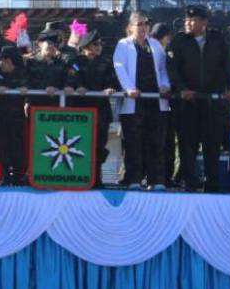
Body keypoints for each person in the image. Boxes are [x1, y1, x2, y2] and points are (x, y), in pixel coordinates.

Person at [168, 4, 230, 192]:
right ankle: (190, 183)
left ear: (204, 22)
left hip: (212, 101)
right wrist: (182, 89)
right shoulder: (179, 40)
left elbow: (228, 65)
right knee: (187, 146)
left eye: (193, 20)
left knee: (212, 145)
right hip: (187, 102)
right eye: (187, 19)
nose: (188, 23)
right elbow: (172, 68)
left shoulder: (217, 39)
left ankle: (212, 184)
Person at [113, 11, 172, 190]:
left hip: (154, 100)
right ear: (130, 27)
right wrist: (129, 88)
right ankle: (133, 179)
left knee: (156, 142)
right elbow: (120, 67)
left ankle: (156, 180)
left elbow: (163, 68)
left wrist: (165, 85)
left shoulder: (155, 44)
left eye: (146, 24)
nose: (143, 27)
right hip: (134, 100)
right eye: (139, 24)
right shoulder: (123, 45)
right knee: (134, 142)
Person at [66, 30, 118, 188]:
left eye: (100, 44)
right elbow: (70, 78)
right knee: (79, 144)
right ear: (86, 46)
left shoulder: (106, 62)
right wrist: (78, 86)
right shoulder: (76, 61)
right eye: (95, 44)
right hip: (81, 110)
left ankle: (96, 177)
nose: (99, 47)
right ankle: (78, 176)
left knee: (99, 145)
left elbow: (113, 80)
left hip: (100, 110)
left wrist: (110, 87)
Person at [0, 45, 29, 186]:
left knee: (17, 145)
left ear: (9, 61)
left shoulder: (22, 74)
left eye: (2, 60)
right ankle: (5, 175)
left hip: (17, 116)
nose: (0, 63)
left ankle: (18, 175)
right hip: (2, 115)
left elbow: (27, 86)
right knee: (3, 145)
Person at [150, 22, 180, 187]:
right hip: (162, 105)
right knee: (165, 144)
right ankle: (165, 178)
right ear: (166, 37)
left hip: (158, 104)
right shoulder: (160, 51)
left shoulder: (152, 49)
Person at [26, 30, 67, 109]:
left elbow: (65, 80)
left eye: (53, 44)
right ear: (40, 44)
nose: (52, 46)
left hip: (56, 103)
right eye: (49, 43)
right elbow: (27, 81)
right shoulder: (31, 62)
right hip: (36, 103)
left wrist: (58, 88)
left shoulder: (61, 62)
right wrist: (45, 87)